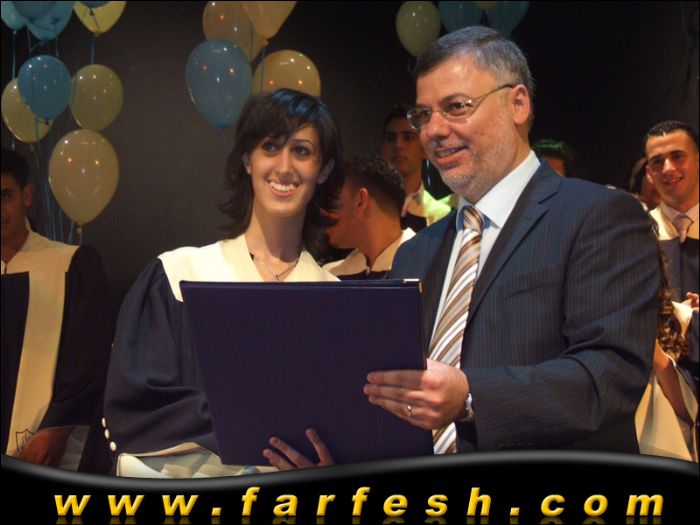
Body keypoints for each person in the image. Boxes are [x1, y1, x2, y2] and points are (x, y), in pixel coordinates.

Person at [362, 26, 659, 454]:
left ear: (518, 103)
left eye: (456, 107)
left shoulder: (599, 216)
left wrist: (470, 396)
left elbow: (609, 376)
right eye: (423, 115)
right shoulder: (414, 253)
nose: (434, 131)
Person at [103, 89, 342, 477]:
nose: (284, 167)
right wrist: (270, 427)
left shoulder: (336, 301)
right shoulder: (178, 276)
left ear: (324, 169)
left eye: (301, 151)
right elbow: (138, 405)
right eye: (270, 147)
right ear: (248, 159)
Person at [1, 148, 114, 472]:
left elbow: (91, 357)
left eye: (5, 196)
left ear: (26, 196)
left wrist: (57, 427)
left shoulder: (69, 265)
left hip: (47, 444)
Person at [323, 155, 415, 279]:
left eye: (332, 201)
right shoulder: (331, 276)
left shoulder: (426, 265)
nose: (323, 212)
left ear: (360, 202)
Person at [381, 105, 451, 231]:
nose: (398, 145)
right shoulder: (367, 208)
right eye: (391, 139)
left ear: (425, 150)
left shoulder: (441, 216)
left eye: (408, 138)